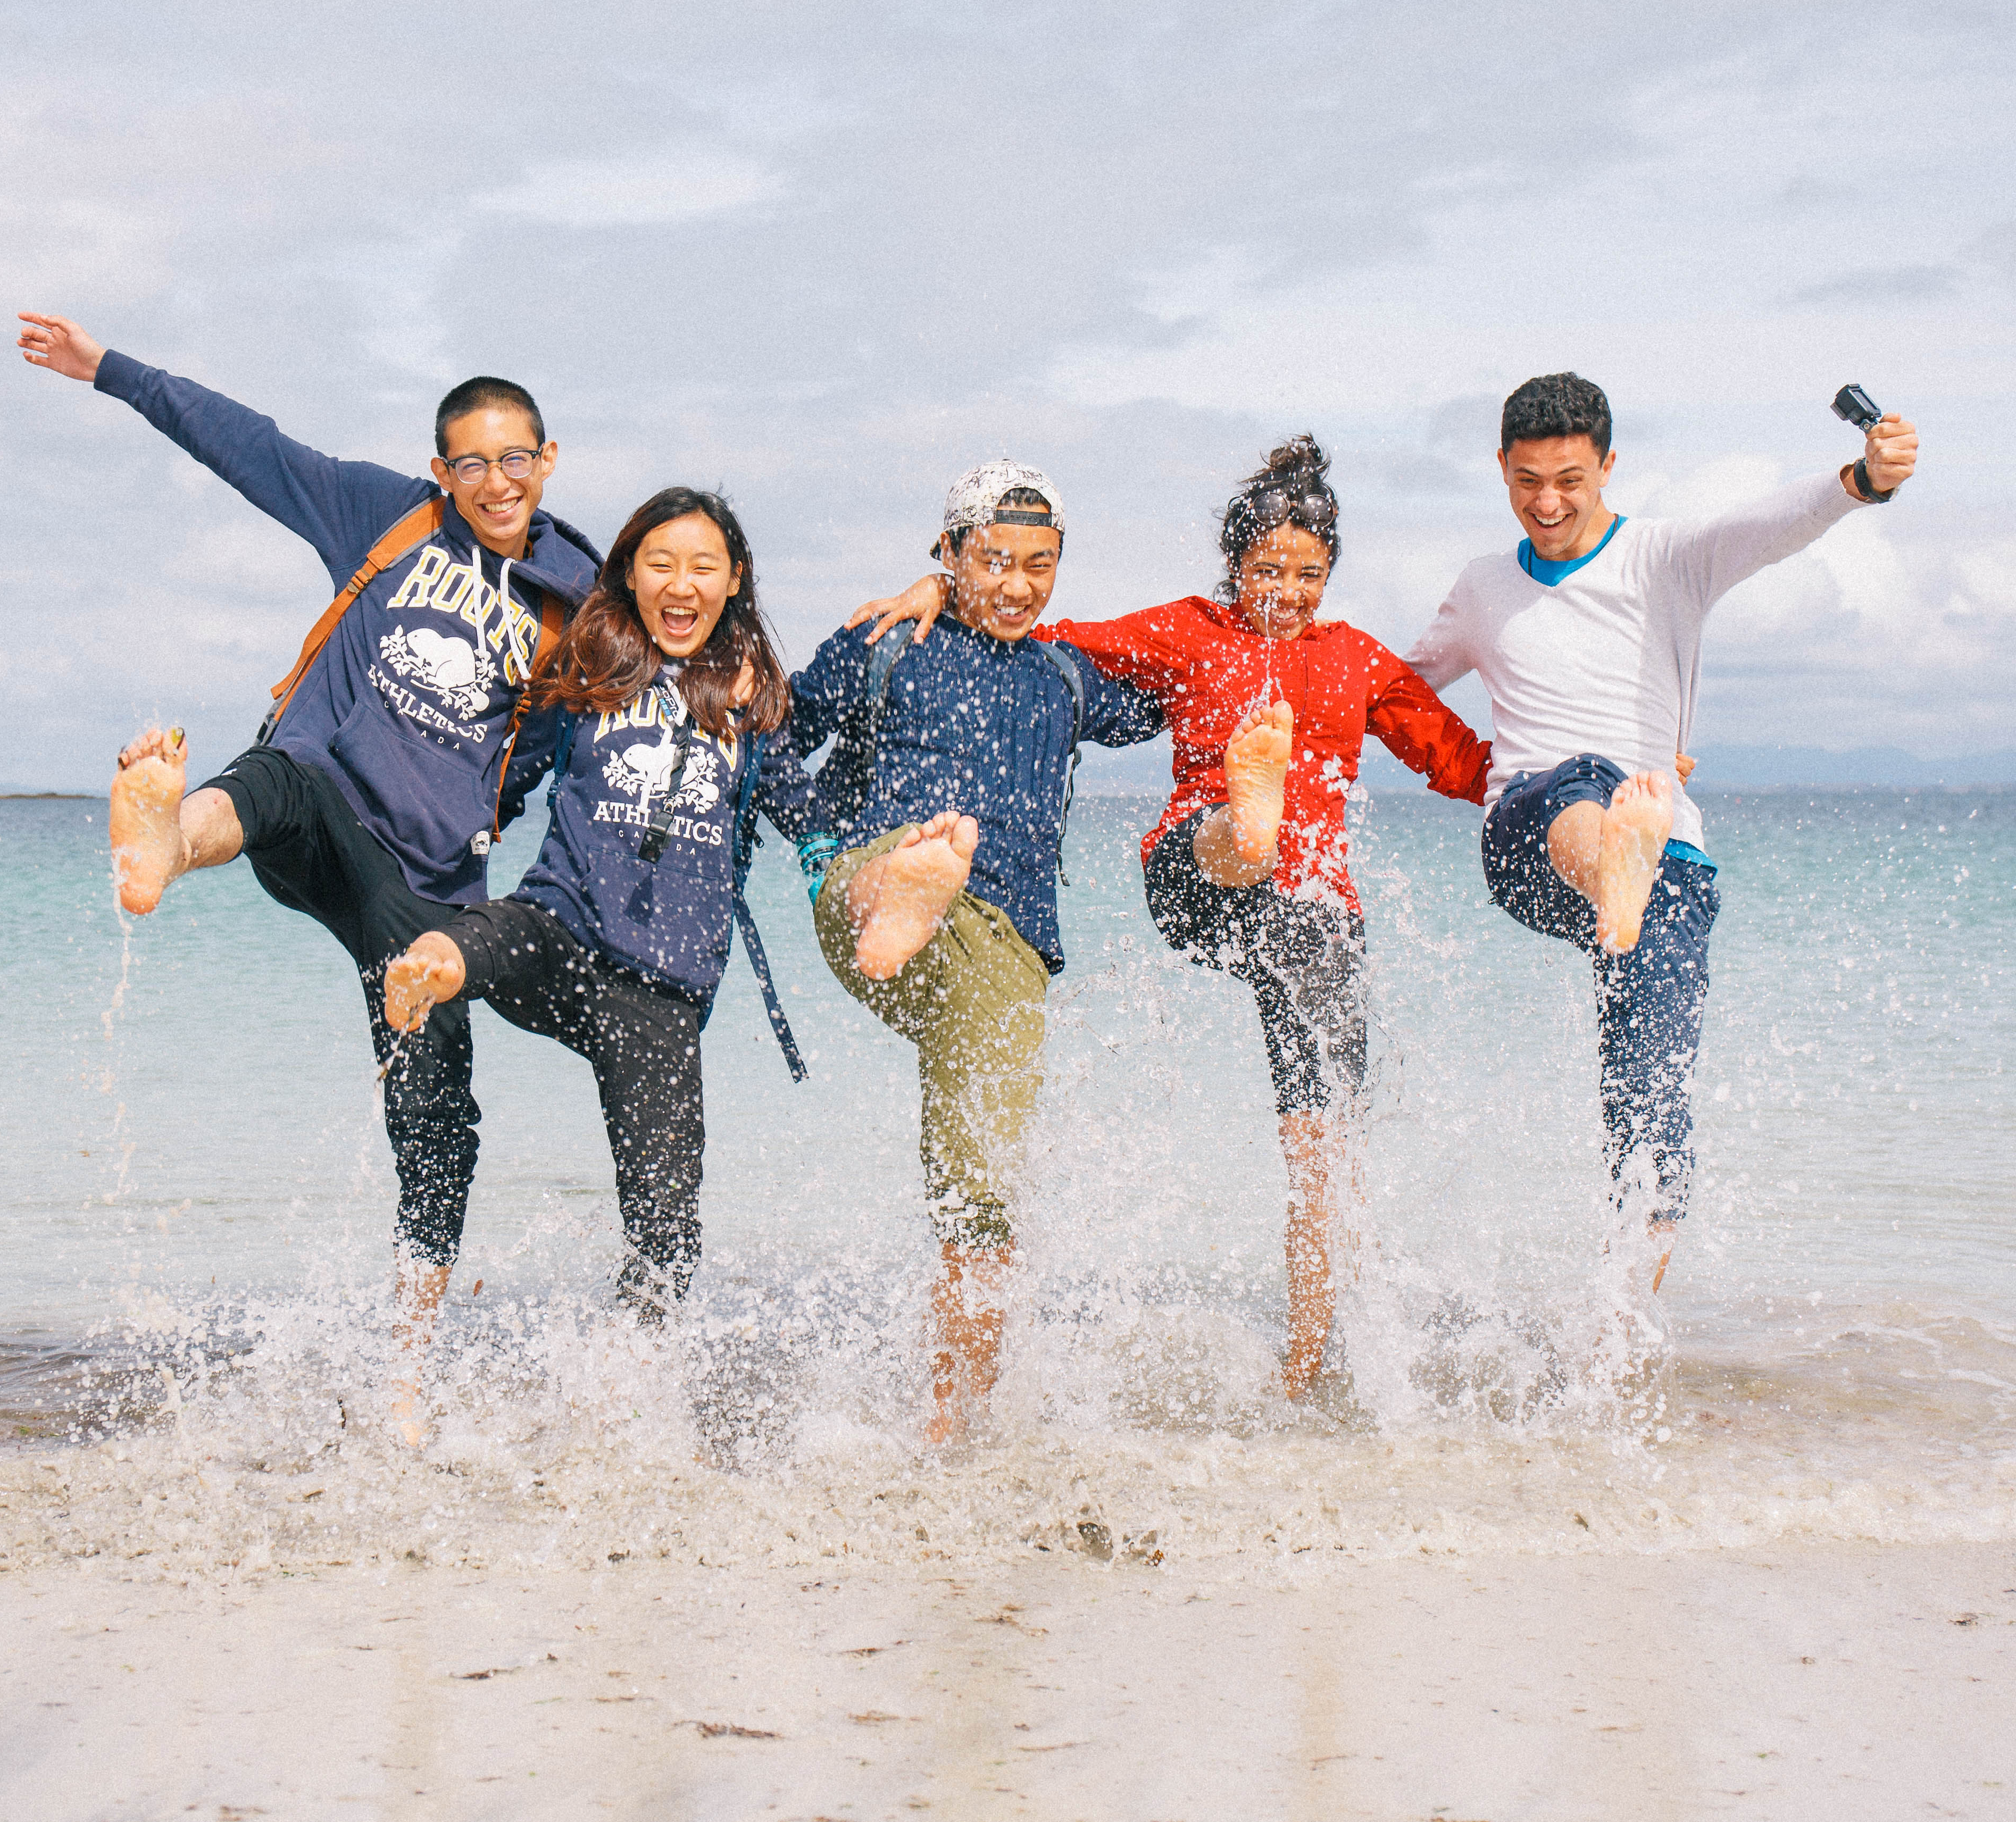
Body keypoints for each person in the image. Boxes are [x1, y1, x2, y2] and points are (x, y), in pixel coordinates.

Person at [13, 311, 604, 1428]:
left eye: (512, 458)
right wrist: (108, 370)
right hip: (319, 807)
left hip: (424, 892)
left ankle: (402, 1389)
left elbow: (671, 668)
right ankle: (164, 843)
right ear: (442, 470)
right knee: (275, 784)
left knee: (439, 1120)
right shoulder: (384, 516)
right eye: (469, 462)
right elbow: (246, 442)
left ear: (546, 461)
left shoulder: (577, 601)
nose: (493, 480)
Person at [849, 437, 1491, 1405]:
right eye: (1265, 571)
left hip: (1313, 924)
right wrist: (939, 585)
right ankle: (1248, 817)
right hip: (1196, 877)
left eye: (1307, 574)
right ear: (1233, 567)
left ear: (1332, 575)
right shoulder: (1190, 632)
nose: (1284, 591)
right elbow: (1040, 633)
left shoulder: (1358, 659)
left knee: (1323, 1150)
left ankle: (1301, 1366)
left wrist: (1591, 792)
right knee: (1238, 844)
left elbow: (1460, 761)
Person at [1407, 371, 1921, 1289]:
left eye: (1569, 477)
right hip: (1534, 826)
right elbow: (1398, 690)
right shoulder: (1485, 587)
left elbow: (1761, 527)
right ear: (1500, 470)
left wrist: (1860, 479)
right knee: (1588, 786)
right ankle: (1614, 867)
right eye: (1527, 480)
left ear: (1608, 465)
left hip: (1670, 860)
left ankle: (1621, 1337)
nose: (1548, 502)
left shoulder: (1664, 559)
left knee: (1649, 1103)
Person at [382, 489, 846, 1370]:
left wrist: (862, 879)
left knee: (668, 1227)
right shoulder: (589, 669)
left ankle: (625, 1390)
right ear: (628, 574)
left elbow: (808, 822)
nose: (681, 584)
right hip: (562, 926)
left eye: (702, 566)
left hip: (661, 988)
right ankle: (435, 961)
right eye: (660, 563)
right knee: (493, 933)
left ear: (734, 580)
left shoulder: (753, 708)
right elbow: (496, 778)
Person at [789, 462, 1164, 1444]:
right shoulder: (887, 646)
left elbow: (1165, 689)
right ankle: (906, 886)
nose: (1017, 585)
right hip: (868, 892)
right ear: (946, 551)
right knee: (913, 861)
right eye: (992, 559)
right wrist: (805, 832)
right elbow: (773, 727)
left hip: (1002, 947)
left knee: (979, 1190)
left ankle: (953, 1421)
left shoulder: (1063, 676)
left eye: (1040, 565)